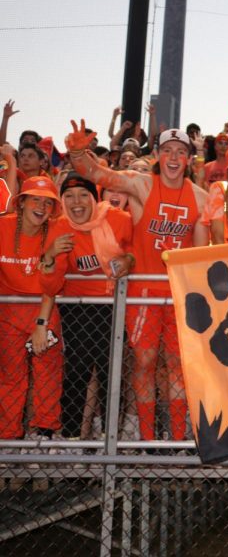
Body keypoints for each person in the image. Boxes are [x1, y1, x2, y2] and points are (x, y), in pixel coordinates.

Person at [68, 121, 209, 442]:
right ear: (158, 154)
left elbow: (201, 253)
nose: (174, 157)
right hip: (143, 292)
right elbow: (98, 175)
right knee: (144, 363)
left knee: (176, 365)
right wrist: (77, 151)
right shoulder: (141, 184)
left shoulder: (200, 199)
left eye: (181, 152)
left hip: (178, 294)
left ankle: (174, 439)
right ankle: (146, 438)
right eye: (168, 151)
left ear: (189, 158)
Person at [40, 173, 134, 439]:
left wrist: (130, 258)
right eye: (69, 196)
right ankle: (71, 438)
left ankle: (110, 437)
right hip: (77, 308)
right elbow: (50, 286)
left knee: (111, 372)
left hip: (113, 306)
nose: (76, 202)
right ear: (62, 200)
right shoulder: (59, 227)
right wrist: (49, 256)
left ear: (95, 197)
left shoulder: (119, 220)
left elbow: (136, 249)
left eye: (83, 195)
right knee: (77, 371)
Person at [0, 176, 65, 441]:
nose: (41, 207)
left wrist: (41, 326)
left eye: (48, 203)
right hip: (8, 314)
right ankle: (9, 439)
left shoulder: (58, 231)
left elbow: (52, 284)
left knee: (47, 377)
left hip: (44, 311)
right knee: (10, 379)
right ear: (22, 202)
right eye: (35, 199)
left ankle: (44, 438)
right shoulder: (3, 227)